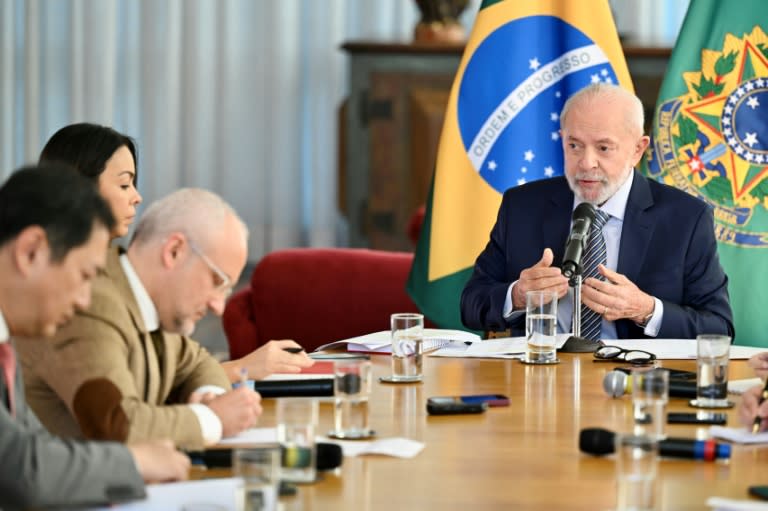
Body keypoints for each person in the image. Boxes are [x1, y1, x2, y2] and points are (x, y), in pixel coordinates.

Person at [39, 122, 313, 380]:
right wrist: (243, 368)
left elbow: (174, 364)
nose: (137, 196)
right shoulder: (61, 286)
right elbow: (136, 390)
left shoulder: (114, 264)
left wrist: (245, 367)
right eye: (124, 184)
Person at [460, 83, 734, 340]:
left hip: (633, 381)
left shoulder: (686, 219)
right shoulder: (522, 206)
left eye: (603, 148)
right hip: (540, 376)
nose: (587, 163)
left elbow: (718, 327)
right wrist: (518, 295)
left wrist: (647, 309)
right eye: (574, 146)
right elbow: (471, 305)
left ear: (638, 149)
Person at [0, 165, 189, 509]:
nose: (85, 299)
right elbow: (19, 469)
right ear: (31, 252)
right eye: (84, 275)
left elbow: (34, 443)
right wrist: (134, 462)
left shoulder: (5, 339)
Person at [18, 188, 262, 450]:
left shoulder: (157, 306)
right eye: (217, 281)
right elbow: (117, 424)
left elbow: (198, 363)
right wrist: (213, 419)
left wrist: (208, 396)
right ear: (175, 251)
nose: (219, 306)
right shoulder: (91, 302)